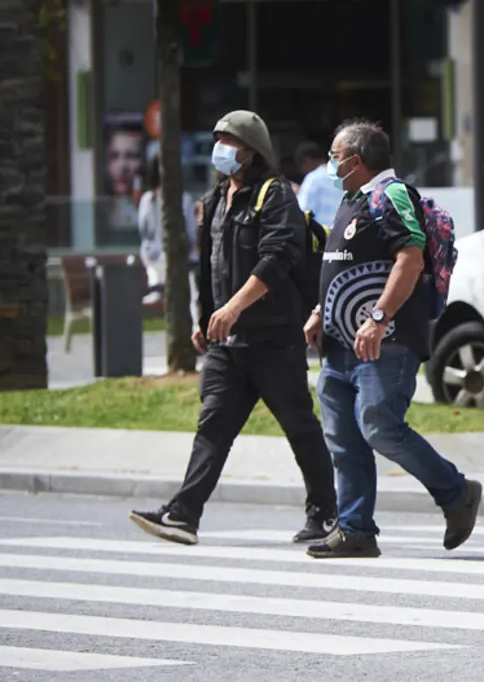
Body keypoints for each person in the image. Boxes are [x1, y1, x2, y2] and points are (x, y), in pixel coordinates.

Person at [129, 110, 338, 546]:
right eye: (218, 140)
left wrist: (235, 308)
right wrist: (207, 317)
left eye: (230, 142)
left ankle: (325, 513)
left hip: (274, 339)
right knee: (213, 428)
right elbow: (210, 267)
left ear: (253, 151)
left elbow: (279, 257)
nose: (220, 149)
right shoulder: (217, 198)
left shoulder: (274, 195)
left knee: (299, 426)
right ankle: (184, 515)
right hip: (228, 344)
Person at [303, 118, 482, 559]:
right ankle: (355, 529)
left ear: (357, 161)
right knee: (343, 436)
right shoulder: (352, 200)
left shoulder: (391, 195)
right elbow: (345, 265)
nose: (330, 163)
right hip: (342, 343)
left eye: (335, 155)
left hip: (387, 341)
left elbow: (410, 259)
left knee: (379, 424)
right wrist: (319, 311)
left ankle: (456, 492)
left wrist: (379, 318)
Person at [137, 152, 199, 318]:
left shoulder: (182, 199)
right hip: (159, 260)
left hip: (177, 259)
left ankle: (158, 288)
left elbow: (191, 235)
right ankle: (157, 288)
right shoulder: (149, 201)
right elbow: (145, 234)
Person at [297, 140, 346, 229]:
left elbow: (302, 213)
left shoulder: (313, 178)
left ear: (306, 160)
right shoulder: (344, 175)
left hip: (321, 238)